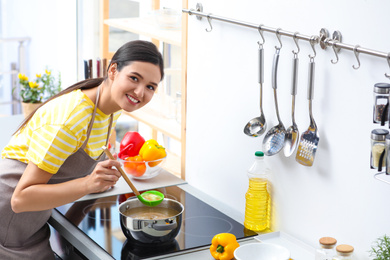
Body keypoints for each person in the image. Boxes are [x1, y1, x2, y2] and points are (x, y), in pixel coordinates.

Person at [0, 40, 164, 259]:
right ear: (113, 70)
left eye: (150, 87)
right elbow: (20, 200)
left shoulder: (112, 109)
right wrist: (88, 183)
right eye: (134, 78)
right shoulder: (72, 118)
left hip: (32, 222)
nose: (140, 92)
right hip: (7, 219)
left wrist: (98, 177)